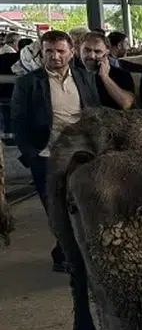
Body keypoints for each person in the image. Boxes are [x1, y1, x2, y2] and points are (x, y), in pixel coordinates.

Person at [11, 29, 101, 270]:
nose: (55, 56)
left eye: (61, 51)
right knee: (55, 209)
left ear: (71, 53)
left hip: (81, 156)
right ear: (42, 53)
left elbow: (95, 112)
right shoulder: (28, 84)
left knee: (81, 206)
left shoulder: (84, 78)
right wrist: (31, 155)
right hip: (46, 156)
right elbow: (18, 122)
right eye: (49, 51)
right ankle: (66, 254)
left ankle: (72, 252)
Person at [78, 31, 135, 110]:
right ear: (80, 49)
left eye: (97, 51)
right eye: (87, 50)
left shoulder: (121, 75)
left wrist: (105, 77)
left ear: (106, 53)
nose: (91, 56)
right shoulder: (72, 73)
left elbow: (127, 104)